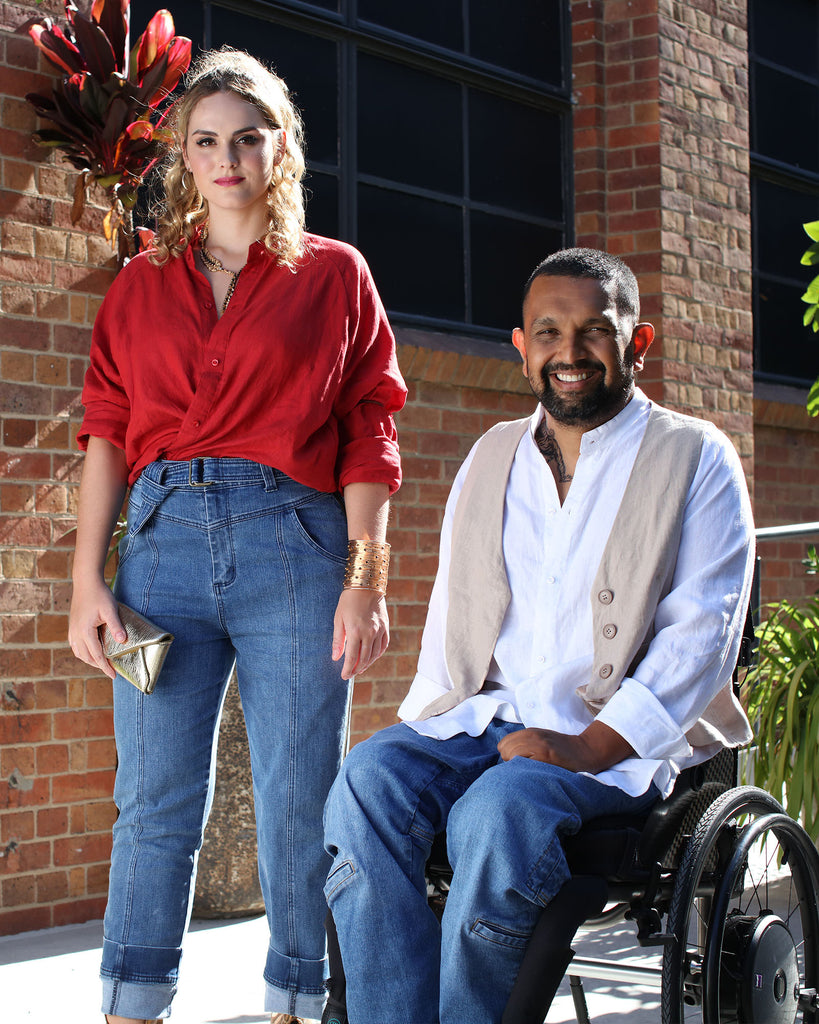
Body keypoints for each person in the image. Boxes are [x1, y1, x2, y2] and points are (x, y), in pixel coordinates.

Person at [323, 248, 755, 1024]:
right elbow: (456, 614)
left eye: (594, 331)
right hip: (488, 721)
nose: (569, 351)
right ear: (520, 347)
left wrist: (586, 746)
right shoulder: (491, 455)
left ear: (637, 342)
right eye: (547, 331)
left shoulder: (694, 457)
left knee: (496, 813)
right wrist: (428, 732)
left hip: (616, 745)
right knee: (369, 778)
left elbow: (701, 638)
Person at [68, 46, 406, 1024]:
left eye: (246, 139)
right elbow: (106, 433)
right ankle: (132, 1004)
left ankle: (296, 1001)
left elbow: (370, 430)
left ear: (281, 150)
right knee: (155, 802)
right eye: (207, 141)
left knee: (302, 800)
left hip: (294, 549)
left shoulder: (336, 276)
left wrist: (367, 575)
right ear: (184, 155)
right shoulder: (138, 284)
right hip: (158, 553)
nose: (227, 159)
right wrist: (90, 581)